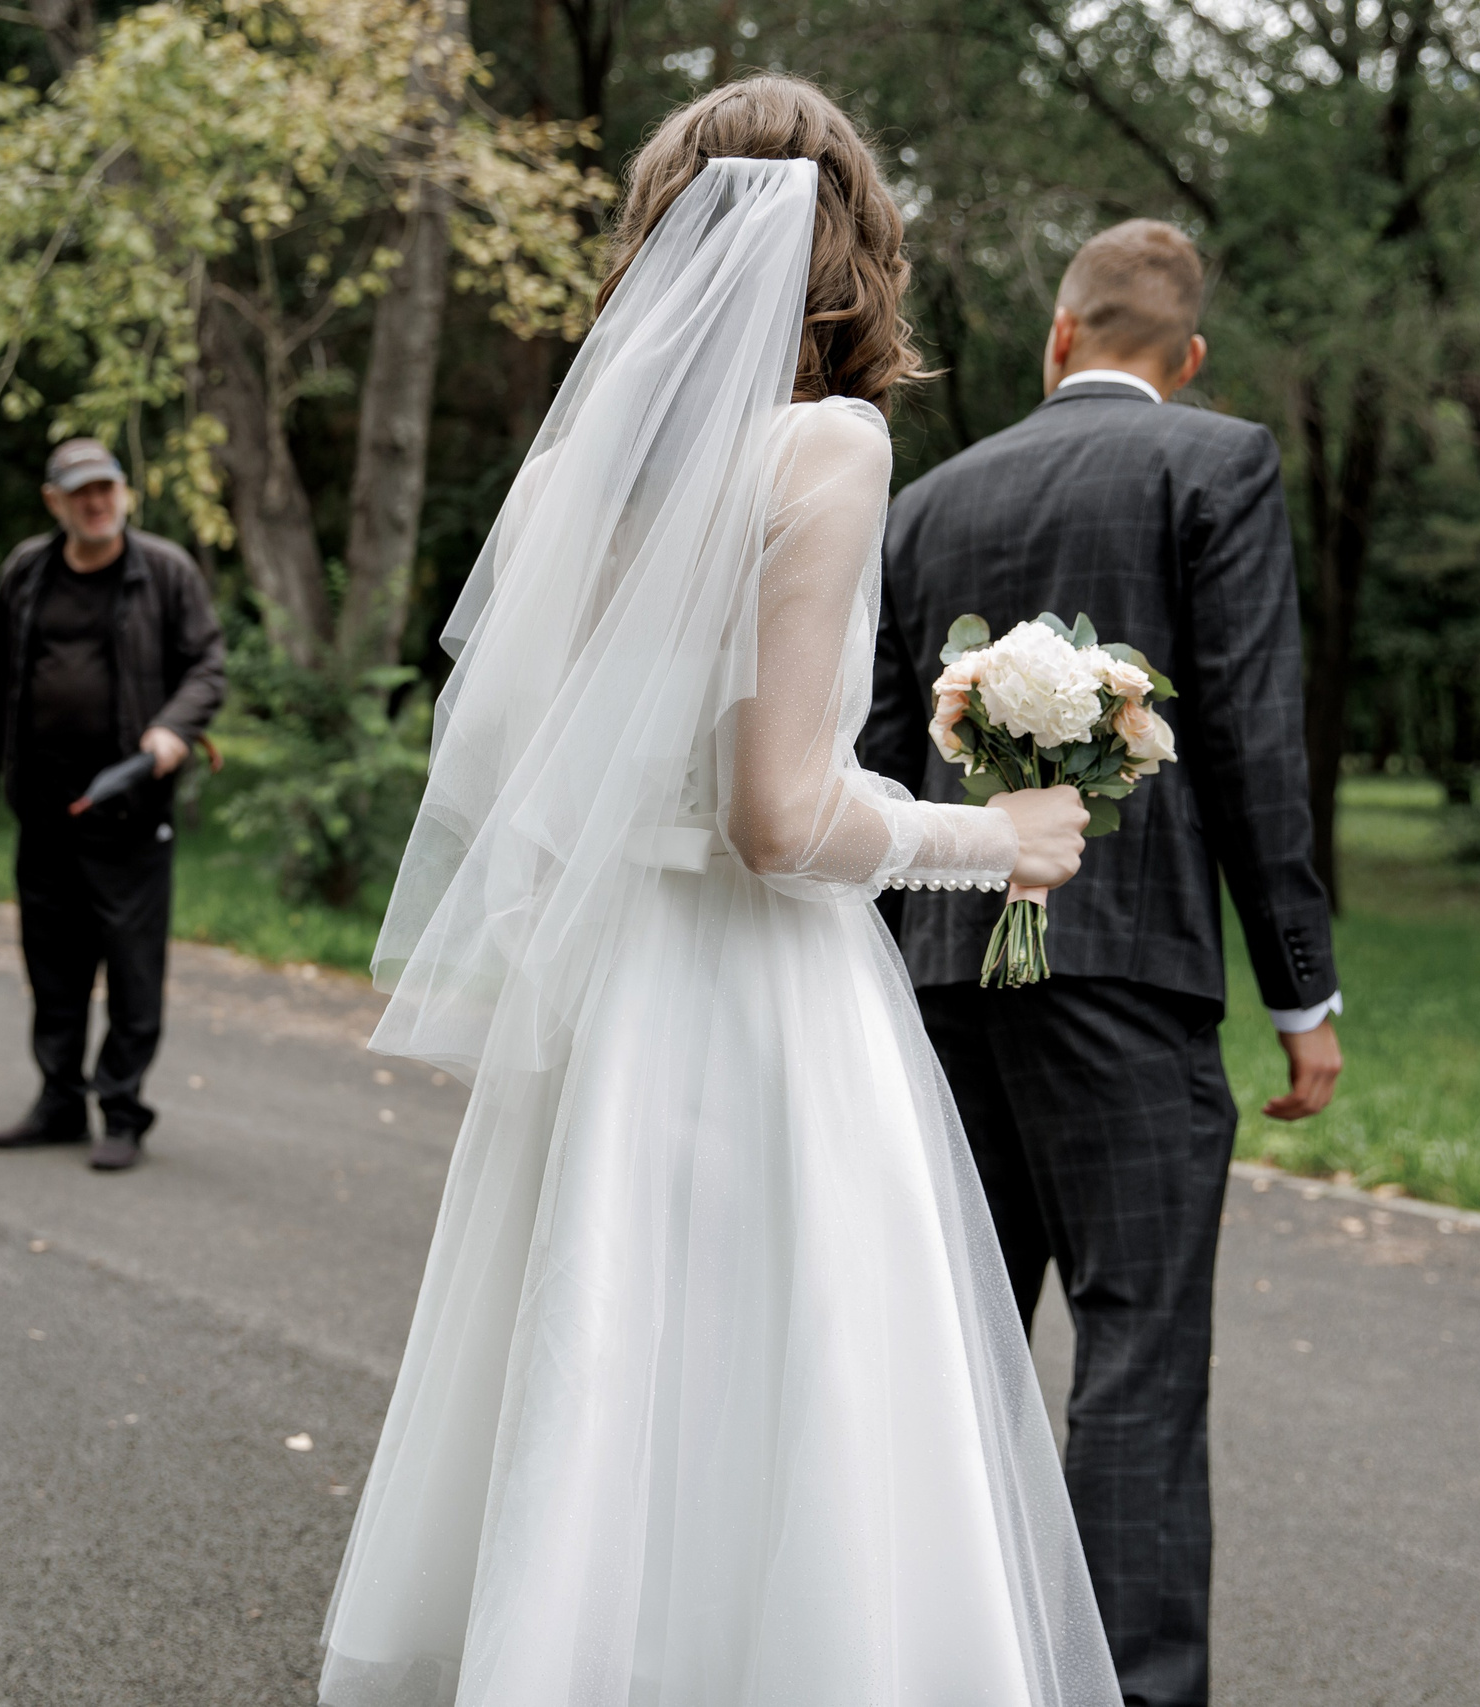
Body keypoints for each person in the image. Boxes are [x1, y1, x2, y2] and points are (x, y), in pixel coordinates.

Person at [320, 80, 1119, 1707]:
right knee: (796, 1388)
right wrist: (996, 836)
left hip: (616, 988)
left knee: (600, 1373)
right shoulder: (828, 446)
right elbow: (778, 818)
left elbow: (553, 771)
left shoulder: (577, 472)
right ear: (854, 248)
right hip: (762, 995)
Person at [862, 220, 1345, 1705]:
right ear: (1185, 358)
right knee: (1137, 1346)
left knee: (961, 1356)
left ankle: (936, 1666)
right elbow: (1253, 737)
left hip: (940, 977)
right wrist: (1302, 992)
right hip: (1130, 985)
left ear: (1058, 335)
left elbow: (873, 756)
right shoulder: (1218, 462)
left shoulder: (925, 502)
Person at [0, 438, 225, 1172]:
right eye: (80, 492)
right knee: (53, 967)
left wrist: (174, 728)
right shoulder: (25, 572)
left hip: (130, 811)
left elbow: (208, 667)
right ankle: (58, 1100)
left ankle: (122, 1110)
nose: (96, 502)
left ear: (124, 491)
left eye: (105, 487)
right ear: (54, 501)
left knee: (133, 971)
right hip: (44, 809)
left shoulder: (165, 572)